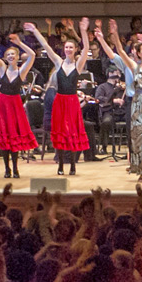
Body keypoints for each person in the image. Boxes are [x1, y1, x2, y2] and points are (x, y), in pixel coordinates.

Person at [30, 21, 93, 176]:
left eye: (71, 47)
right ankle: (60, 164)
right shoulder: (58, 62)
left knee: (71, 133)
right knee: (59, 132)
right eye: (66, 47)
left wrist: (83, 30)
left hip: (71, 102)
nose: (68, 49)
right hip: (60, 101)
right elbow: (46, 47)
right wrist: (35, 31)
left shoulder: (78, 65)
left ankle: (72, 164)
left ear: (75, 49)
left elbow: (86, 48)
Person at [0, 22, 39, 180]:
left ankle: (16, 168)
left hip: (15, 105)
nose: (11, 56)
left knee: (14, 138)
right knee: (5, 138)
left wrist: (19, 43)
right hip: (3, 105)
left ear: (17, 57)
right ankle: (6, 168)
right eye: (9, 54)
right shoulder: (2, 68)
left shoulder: (22, 71)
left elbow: (32, 55)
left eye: (13, 54)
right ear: (6, 57)